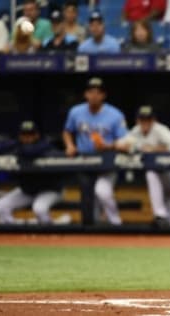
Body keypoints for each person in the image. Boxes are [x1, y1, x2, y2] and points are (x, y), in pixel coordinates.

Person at [63, 77, 127, 225]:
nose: (94, 95)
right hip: (85, 161)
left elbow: (124, 142)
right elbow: (67, 131)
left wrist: (108, 146)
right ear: (85, 94)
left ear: (103, 95)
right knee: (88, 198)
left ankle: (116, 222)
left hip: (107, 162)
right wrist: (69, 145)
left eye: (98, 92)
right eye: (91, 92)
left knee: (102, 192)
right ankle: (94, 232)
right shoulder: (76, 111)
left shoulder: (115, 114)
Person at [116, 105, 170, 226]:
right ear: (137, 120)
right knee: (154, 177)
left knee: (152, 173)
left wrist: (155, 149)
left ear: (153, 120)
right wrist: (125, 146)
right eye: (142, 119)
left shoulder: (160, 130)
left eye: (148, 119)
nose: (145, 122)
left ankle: (159, 215)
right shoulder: (136, 131)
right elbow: (120, 144)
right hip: (160, 176)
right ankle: (167, 220)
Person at [0, 121, 63, 225]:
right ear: (20, 135)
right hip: (28, 191)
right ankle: (16, 232)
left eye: (30, 134)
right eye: (24, 134)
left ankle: (49, 234)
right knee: (1, 205)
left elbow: (29, 151)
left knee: (39, 208)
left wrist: (14, 146)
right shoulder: (16, 145)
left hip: (50, 190)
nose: (27, 137)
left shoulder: (45, 145)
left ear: (37, 135)